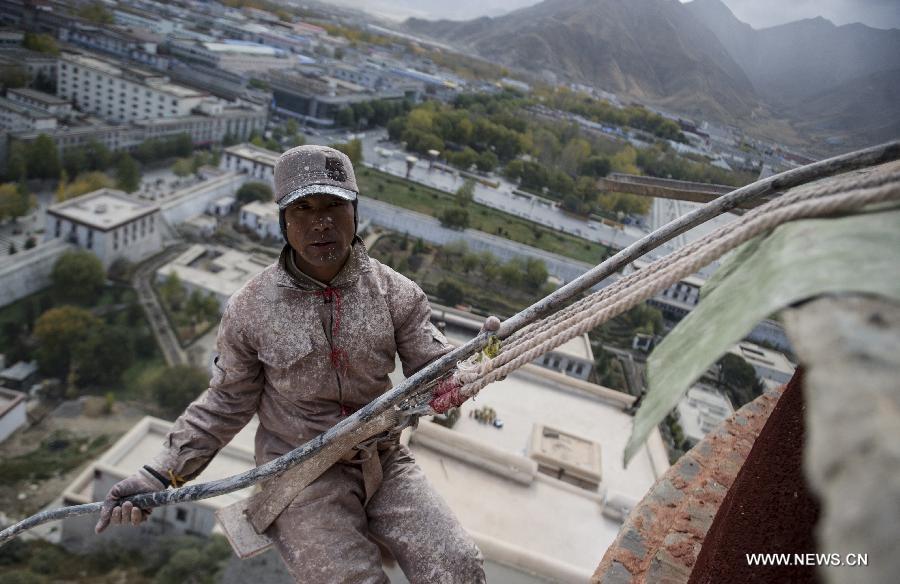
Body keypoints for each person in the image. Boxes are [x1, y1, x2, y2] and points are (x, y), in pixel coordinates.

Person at [95, 145, 492, 583]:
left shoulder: (397, 294)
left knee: (458, 565)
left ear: (354, 213)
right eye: (303, 208)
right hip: (301, 473)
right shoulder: (251, 309)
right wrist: (158, 472)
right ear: (283, 220)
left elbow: (434, 371)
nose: (320, 221)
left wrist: (470, 366)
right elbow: (226, 403)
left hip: (381, 458)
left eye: (333, 205)